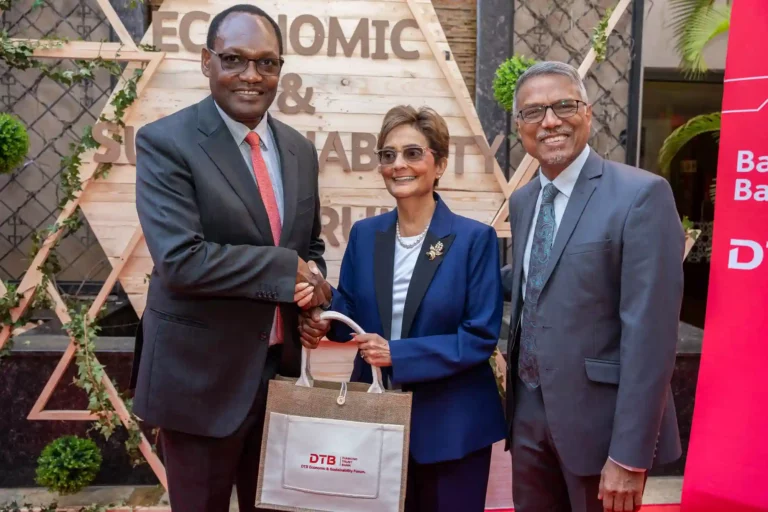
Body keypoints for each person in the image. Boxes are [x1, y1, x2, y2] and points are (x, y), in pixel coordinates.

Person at [129, 5, 330, 512]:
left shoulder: (299, 151)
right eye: (235, 59)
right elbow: (180, 259)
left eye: (267, 63)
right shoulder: (166, 142)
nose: (251, 76)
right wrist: (287, 273)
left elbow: (310, 248)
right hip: (200, 383)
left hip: (280, 379)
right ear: (206, 62)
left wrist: (314, 289)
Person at [299, 105, 507, 512]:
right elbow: (352, 320)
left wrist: (398, 353)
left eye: (413, 153)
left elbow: (479, 336)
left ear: (440, 163)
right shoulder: (366, 235)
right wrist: (324, 315)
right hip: (373, 420)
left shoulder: (473, 239)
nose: (398, 165)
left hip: (453, 428)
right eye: (388, 155)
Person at [502, 61, 684, 512]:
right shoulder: (525, 201)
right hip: (527, 417)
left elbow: (651, 337)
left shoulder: (641, 195)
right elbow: (534, 283)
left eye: (564, 105)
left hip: (600, 429)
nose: (549, 121)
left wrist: (630, 453)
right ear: (519, 126)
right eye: (533, 112)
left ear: (588, 112)